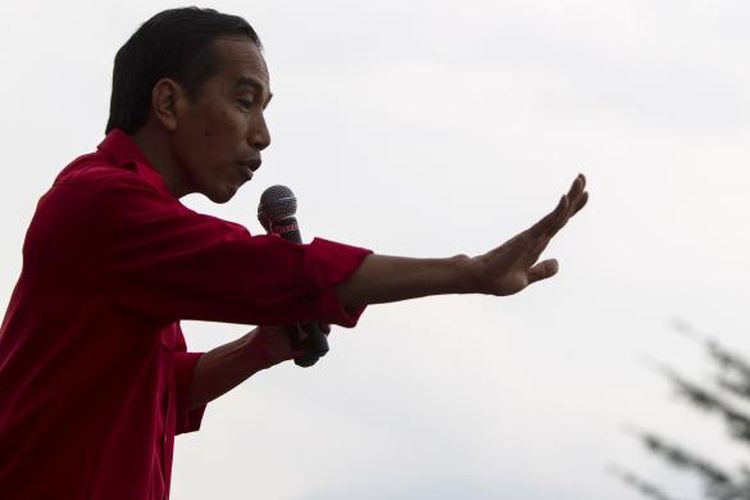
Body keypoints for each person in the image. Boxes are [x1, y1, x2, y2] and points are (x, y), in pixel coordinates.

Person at [0, 7, 588, 500]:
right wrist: (470, 272)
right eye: (244, 100)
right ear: (169, 103)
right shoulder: (101, 204)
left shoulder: (133, 233)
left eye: (264, 107)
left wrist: (259, 349)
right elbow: (272, 269)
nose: (262, 134)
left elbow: (160, 392)